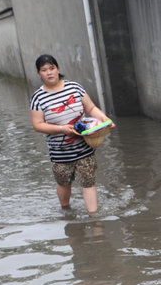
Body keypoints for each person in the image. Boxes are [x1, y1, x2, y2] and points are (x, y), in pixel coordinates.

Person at [29, 54, 114, 213]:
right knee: (63, 183)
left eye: (52, 68)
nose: (49, 73)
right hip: (59, 152)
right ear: (39, 73)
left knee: (89, 182)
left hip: (84, 147)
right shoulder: (38, 97)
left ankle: (94, 219)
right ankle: (66, 211)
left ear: (58, 69)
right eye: (44, 70)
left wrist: (104, 120)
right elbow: (37, 125)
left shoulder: (74, 88)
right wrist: (62, 129)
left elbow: (90, 108)